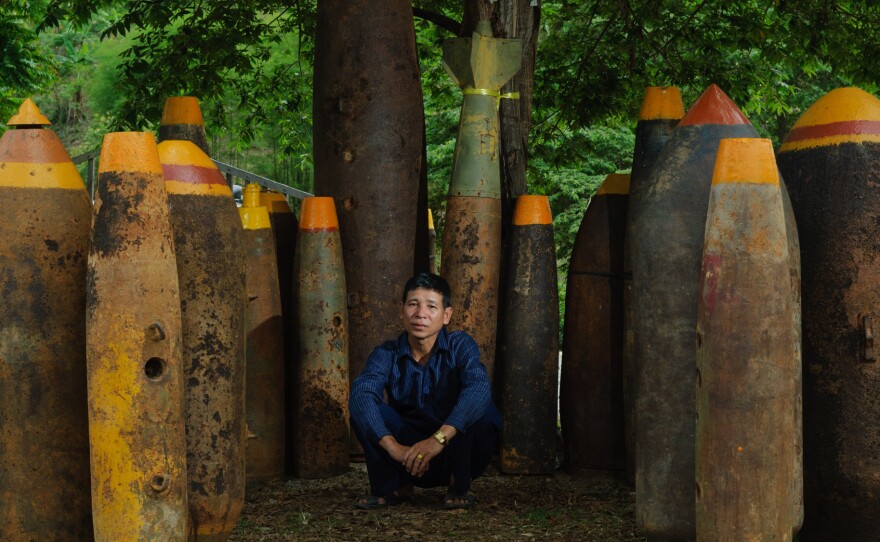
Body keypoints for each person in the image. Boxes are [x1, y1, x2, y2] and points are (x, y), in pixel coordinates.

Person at [349, 272, 502, 510]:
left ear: (446, 315)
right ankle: (393, 487)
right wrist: (394, 447)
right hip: (405, 456)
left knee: (483, 408)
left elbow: (478, 387)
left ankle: (459, 484)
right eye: (413, 304)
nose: (421, 314)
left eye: (431, 306)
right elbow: (361, 395)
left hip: (453, 451)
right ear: (401, 310)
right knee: (365, 406)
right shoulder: (386, 353)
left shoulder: (460, 345)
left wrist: (438, 440)